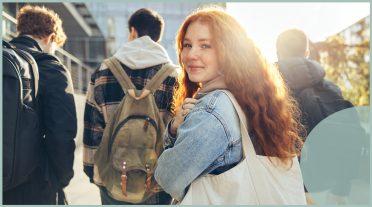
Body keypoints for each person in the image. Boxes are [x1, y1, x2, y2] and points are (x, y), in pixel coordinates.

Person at [154, 8, 303, 202]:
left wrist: (172, 131)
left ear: (229, 51)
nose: (191, 55)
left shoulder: (212, 111)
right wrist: (176, 128)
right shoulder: (248, 97)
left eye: (205, 46)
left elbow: (167, 178)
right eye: (187, 45)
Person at [83, 8, 177, 205]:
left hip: (114, 179)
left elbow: (93, 129)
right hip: (157, 183)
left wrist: (92, 171)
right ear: (157, 37)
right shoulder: (173, 76)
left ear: (132, 31)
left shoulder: (104, 71)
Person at [275, 29, 360, 204]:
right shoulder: (331, 87)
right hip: (328, 184)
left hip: (287, 185)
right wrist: (341, 188)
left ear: (278, 53)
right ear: (306, 53)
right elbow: (348, 131)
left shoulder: (270, 90)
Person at [4, 5, 77, 204]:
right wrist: (61, 178)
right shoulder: (51, 67)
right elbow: (62, 134)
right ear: (50, 37)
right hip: (36, 184)